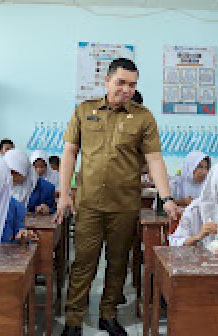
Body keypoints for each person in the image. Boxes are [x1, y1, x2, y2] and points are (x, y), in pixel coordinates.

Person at [57, 58, 177, 336]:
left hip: (124, 205)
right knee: (83, 262)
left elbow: (155, 159)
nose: (126, 89)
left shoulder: (143, 117)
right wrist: (65, 194)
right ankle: (74, 320)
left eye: (132, 85)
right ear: (107, 81)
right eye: (120, 82)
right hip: (88, 204)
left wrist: (167, 196)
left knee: (118, 262)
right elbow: (69, 152)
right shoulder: (84, 111)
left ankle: (108, 315)